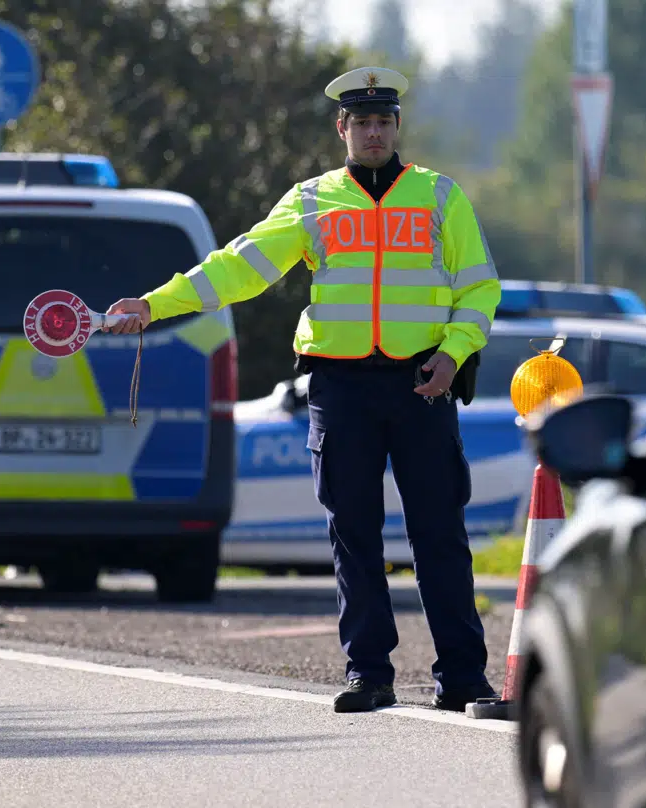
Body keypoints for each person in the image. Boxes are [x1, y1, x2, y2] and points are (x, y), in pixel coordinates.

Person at [102, 66, 502, 715]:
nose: (373, 132)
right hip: (340, 383)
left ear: (397, 126)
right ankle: (367, 673)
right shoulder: (312, 201)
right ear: (341, 128)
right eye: (361, 122)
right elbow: (240, 266)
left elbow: (480, 289)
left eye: (383, 121)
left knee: (439, 534)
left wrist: (453, 357)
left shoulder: (440, 196)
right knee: (353, 533)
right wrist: (154, 305)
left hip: (422, 382)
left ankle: (462, 677)